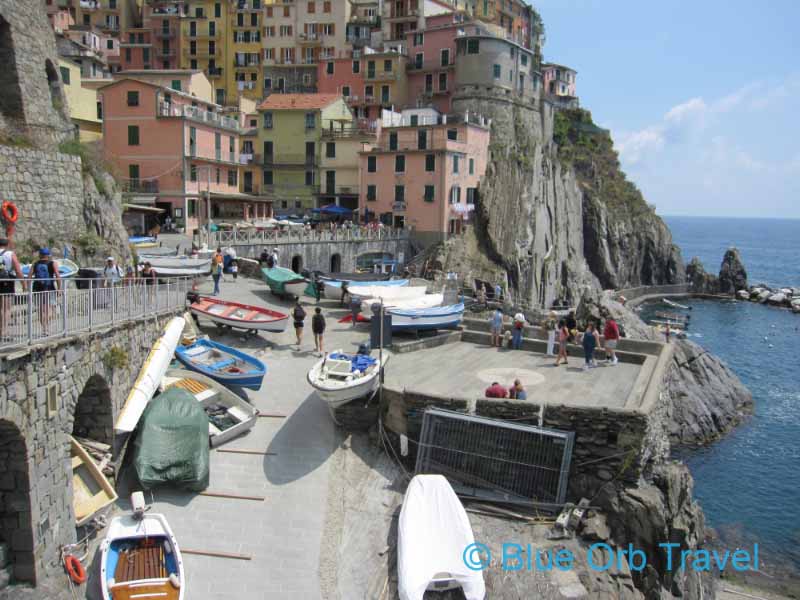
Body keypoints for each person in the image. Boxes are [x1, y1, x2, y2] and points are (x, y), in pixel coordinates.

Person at [29, 248, 61, 334]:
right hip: (49, 288)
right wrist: (59, 288)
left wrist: (28, 288)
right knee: (50, 309)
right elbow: (57, 275)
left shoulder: (35, 264)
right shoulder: (52, 263)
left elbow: (29, 276)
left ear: (39, 255)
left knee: (41, 309)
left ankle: (44, 329)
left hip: (37, 288)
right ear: (48, 255)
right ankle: (47, 328)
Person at [0, 238, 25, 340]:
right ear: (8, 244)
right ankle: (3, 332)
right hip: (7, 283)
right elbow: (18, 270)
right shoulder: (10, 254)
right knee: (6, 308)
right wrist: (24, 284)